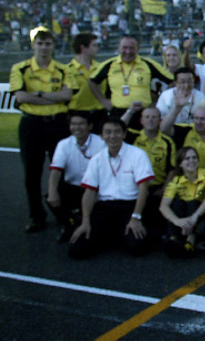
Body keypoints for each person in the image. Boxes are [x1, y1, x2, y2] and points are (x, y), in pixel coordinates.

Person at [11, 28, 74, 233]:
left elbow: (66, 96)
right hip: (32, 125)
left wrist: (36, 94)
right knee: (32, 172)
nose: (44, 47)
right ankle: (36, 216)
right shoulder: (20, 68)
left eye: (48, 44)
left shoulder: (63, 69)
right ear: (33, 45)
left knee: (62, 170)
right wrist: (49, 95)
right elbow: (20, 97)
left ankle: (63, 214)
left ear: (53, 46)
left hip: (57, 124)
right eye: (40, 43)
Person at [68, 118, 155, 259]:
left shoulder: (138, 154)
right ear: (101, 136)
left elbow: (143, 188)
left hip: (130, 206)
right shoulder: (96, 159)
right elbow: (89, 192)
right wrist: (85, 221)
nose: (112, 136)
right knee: (76, 250)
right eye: (108, 132)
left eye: (117, 132)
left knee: (137, 247)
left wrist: (136, 217)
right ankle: (113, 235)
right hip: (104, 206)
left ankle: (117, 235)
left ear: (124, 134)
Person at [46, 112, 107, 241]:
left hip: (95, 189)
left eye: (81, 124)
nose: (77, 127)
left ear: (90, 126)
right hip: (73, 187)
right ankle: (67, 225)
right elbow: (56, 170)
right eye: (73, 124)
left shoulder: (101, 143)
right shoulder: (63, 144)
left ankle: (82, 221)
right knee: (52, 195)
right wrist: (52, 192)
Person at [89, 35, 173, 127]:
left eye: (132, 48)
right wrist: (103, 101)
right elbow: (92, 82)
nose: (128, 52)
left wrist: (161, 101)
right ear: (119, 47)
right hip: (117, 114)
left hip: (143, 115)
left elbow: (172, 81)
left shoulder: (148, 64)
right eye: (124, 48)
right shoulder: (109, 65)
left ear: (138, 48)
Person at [158, 146, 205, 258]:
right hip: (183, 218)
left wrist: (194, 217)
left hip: (201, 214)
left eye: (194, 158)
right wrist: (177, 221)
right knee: (177, 203)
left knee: (193, 203)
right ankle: (173, 239)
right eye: (187, 158)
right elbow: (163, 206)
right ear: (180, 163)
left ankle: (190, 240)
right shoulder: (176, 181)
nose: (191, 161)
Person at [122, 105, 177, 198]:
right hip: (133, 188)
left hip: (157, 189)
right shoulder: (132, 137)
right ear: (141, 121)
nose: (150, 120)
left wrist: (164, 189)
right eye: (147, 117)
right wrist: (131, 110)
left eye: (154, 117)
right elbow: (117, 127)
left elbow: (172, 169)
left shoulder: (168, 142)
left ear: (160, 121)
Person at [161, 103, 205, 172]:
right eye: (196, 118)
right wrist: (177, 107)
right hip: (186, 175)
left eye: (202, 119)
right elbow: (164, 129)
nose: (198, 122)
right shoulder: (187, 130)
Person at [66, 32, 104, 131]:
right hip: (77, 115)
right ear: (83, 48)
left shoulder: (101, 68)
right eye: (94, 45)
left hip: (99, 114)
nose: (97, 48)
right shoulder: (67, 70)